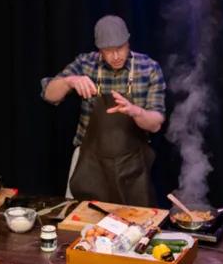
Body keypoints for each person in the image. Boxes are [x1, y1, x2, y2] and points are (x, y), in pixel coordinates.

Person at [41, 15, 166, 206]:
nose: (115, 56)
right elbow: (49, 95)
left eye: (120, 48)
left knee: (136, 220)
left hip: (132, 166)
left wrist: (136, 112)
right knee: (79, 217)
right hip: (89, 164)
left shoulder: (149, 68)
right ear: (99, 49)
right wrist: (70, 81)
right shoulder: (85, 63)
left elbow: (156, 124)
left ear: (128, 42)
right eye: (108, 51)